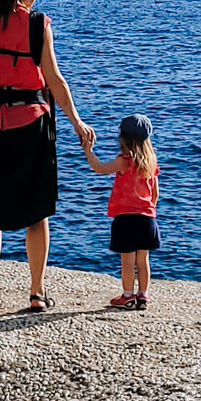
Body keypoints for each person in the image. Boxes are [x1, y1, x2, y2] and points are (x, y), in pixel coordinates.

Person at [0, 0, 93, 315]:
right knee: (37, 211)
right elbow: (54, 80)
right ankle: (36, 293)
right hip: (32, 125)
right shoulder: (38, 24)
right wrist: (77, 122)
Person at [81, 113, 161, 310]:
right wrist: (150, 210)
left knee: (127, 261)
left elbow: (99, 168)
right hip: (148, 218)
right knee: (143, 260)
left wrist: (88, 151)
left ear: (124, 138)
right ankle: (143, 295)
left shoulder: (124, 160)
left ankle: (127, 296)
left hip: (126, 219)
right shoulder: (151, 163)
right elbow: (155, 193)